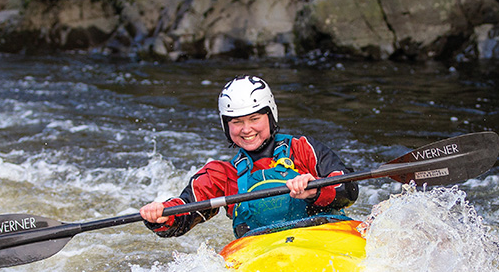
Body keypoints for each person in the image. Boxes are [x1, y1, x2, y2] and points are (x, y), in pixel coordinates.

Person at [140, 75, 359, 239]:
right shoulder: (221, 174)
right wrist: (163, 215)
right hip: (263, 252)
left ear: (270, 116)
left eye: (254, 119)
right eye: (237, 122)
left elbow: (348, 189)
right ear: (226, 126)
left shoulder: (303, 148)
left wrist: (316, 190)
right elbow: (186, 209)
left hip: (324, 236)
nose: (246, 129)